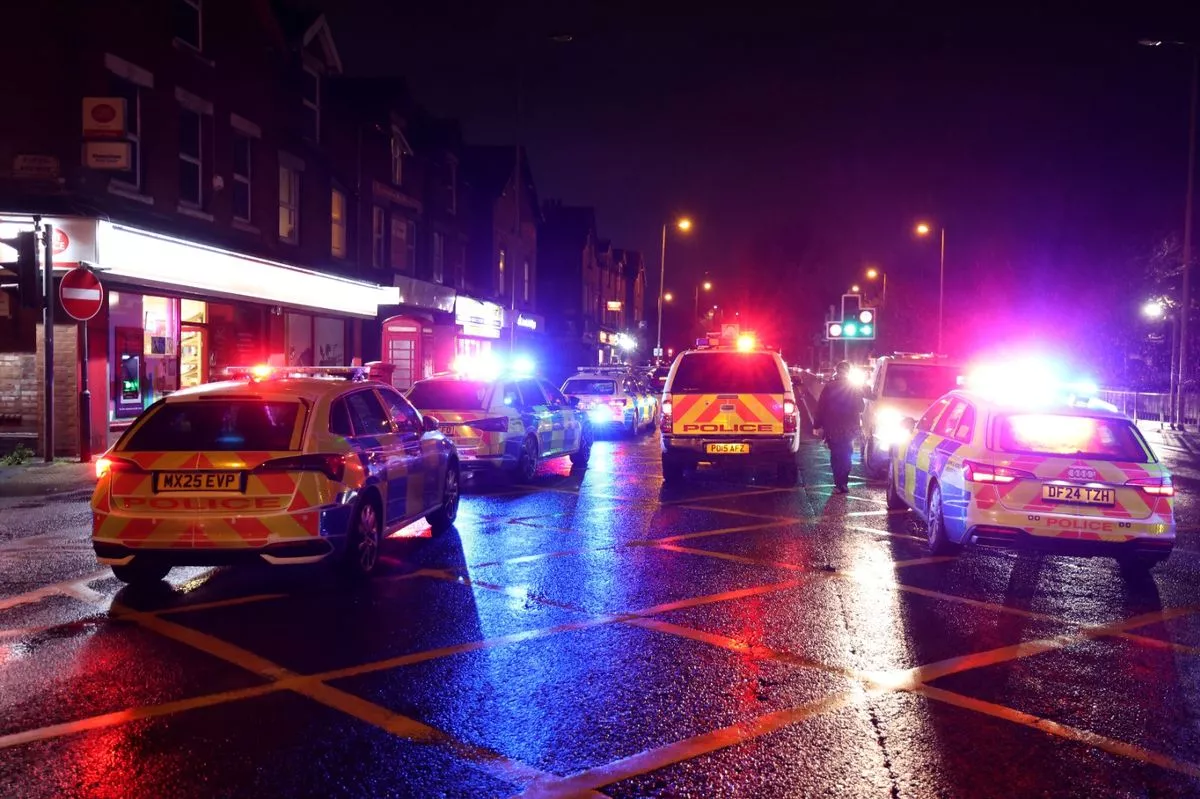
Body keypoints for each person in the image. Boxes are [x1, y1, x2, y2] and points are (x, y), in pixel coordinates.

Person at [813, 361, 864, 493]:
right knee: (847, 454)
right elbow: (861, 407)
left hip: (833, 427)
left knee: (836, 455)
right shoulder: (854, 388)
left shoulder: (829, 386)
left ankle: (838, 484)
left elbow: (821, 407)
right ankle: (844, 483)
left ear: (837, 371)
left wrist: (817, 425)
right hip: (849, 428)